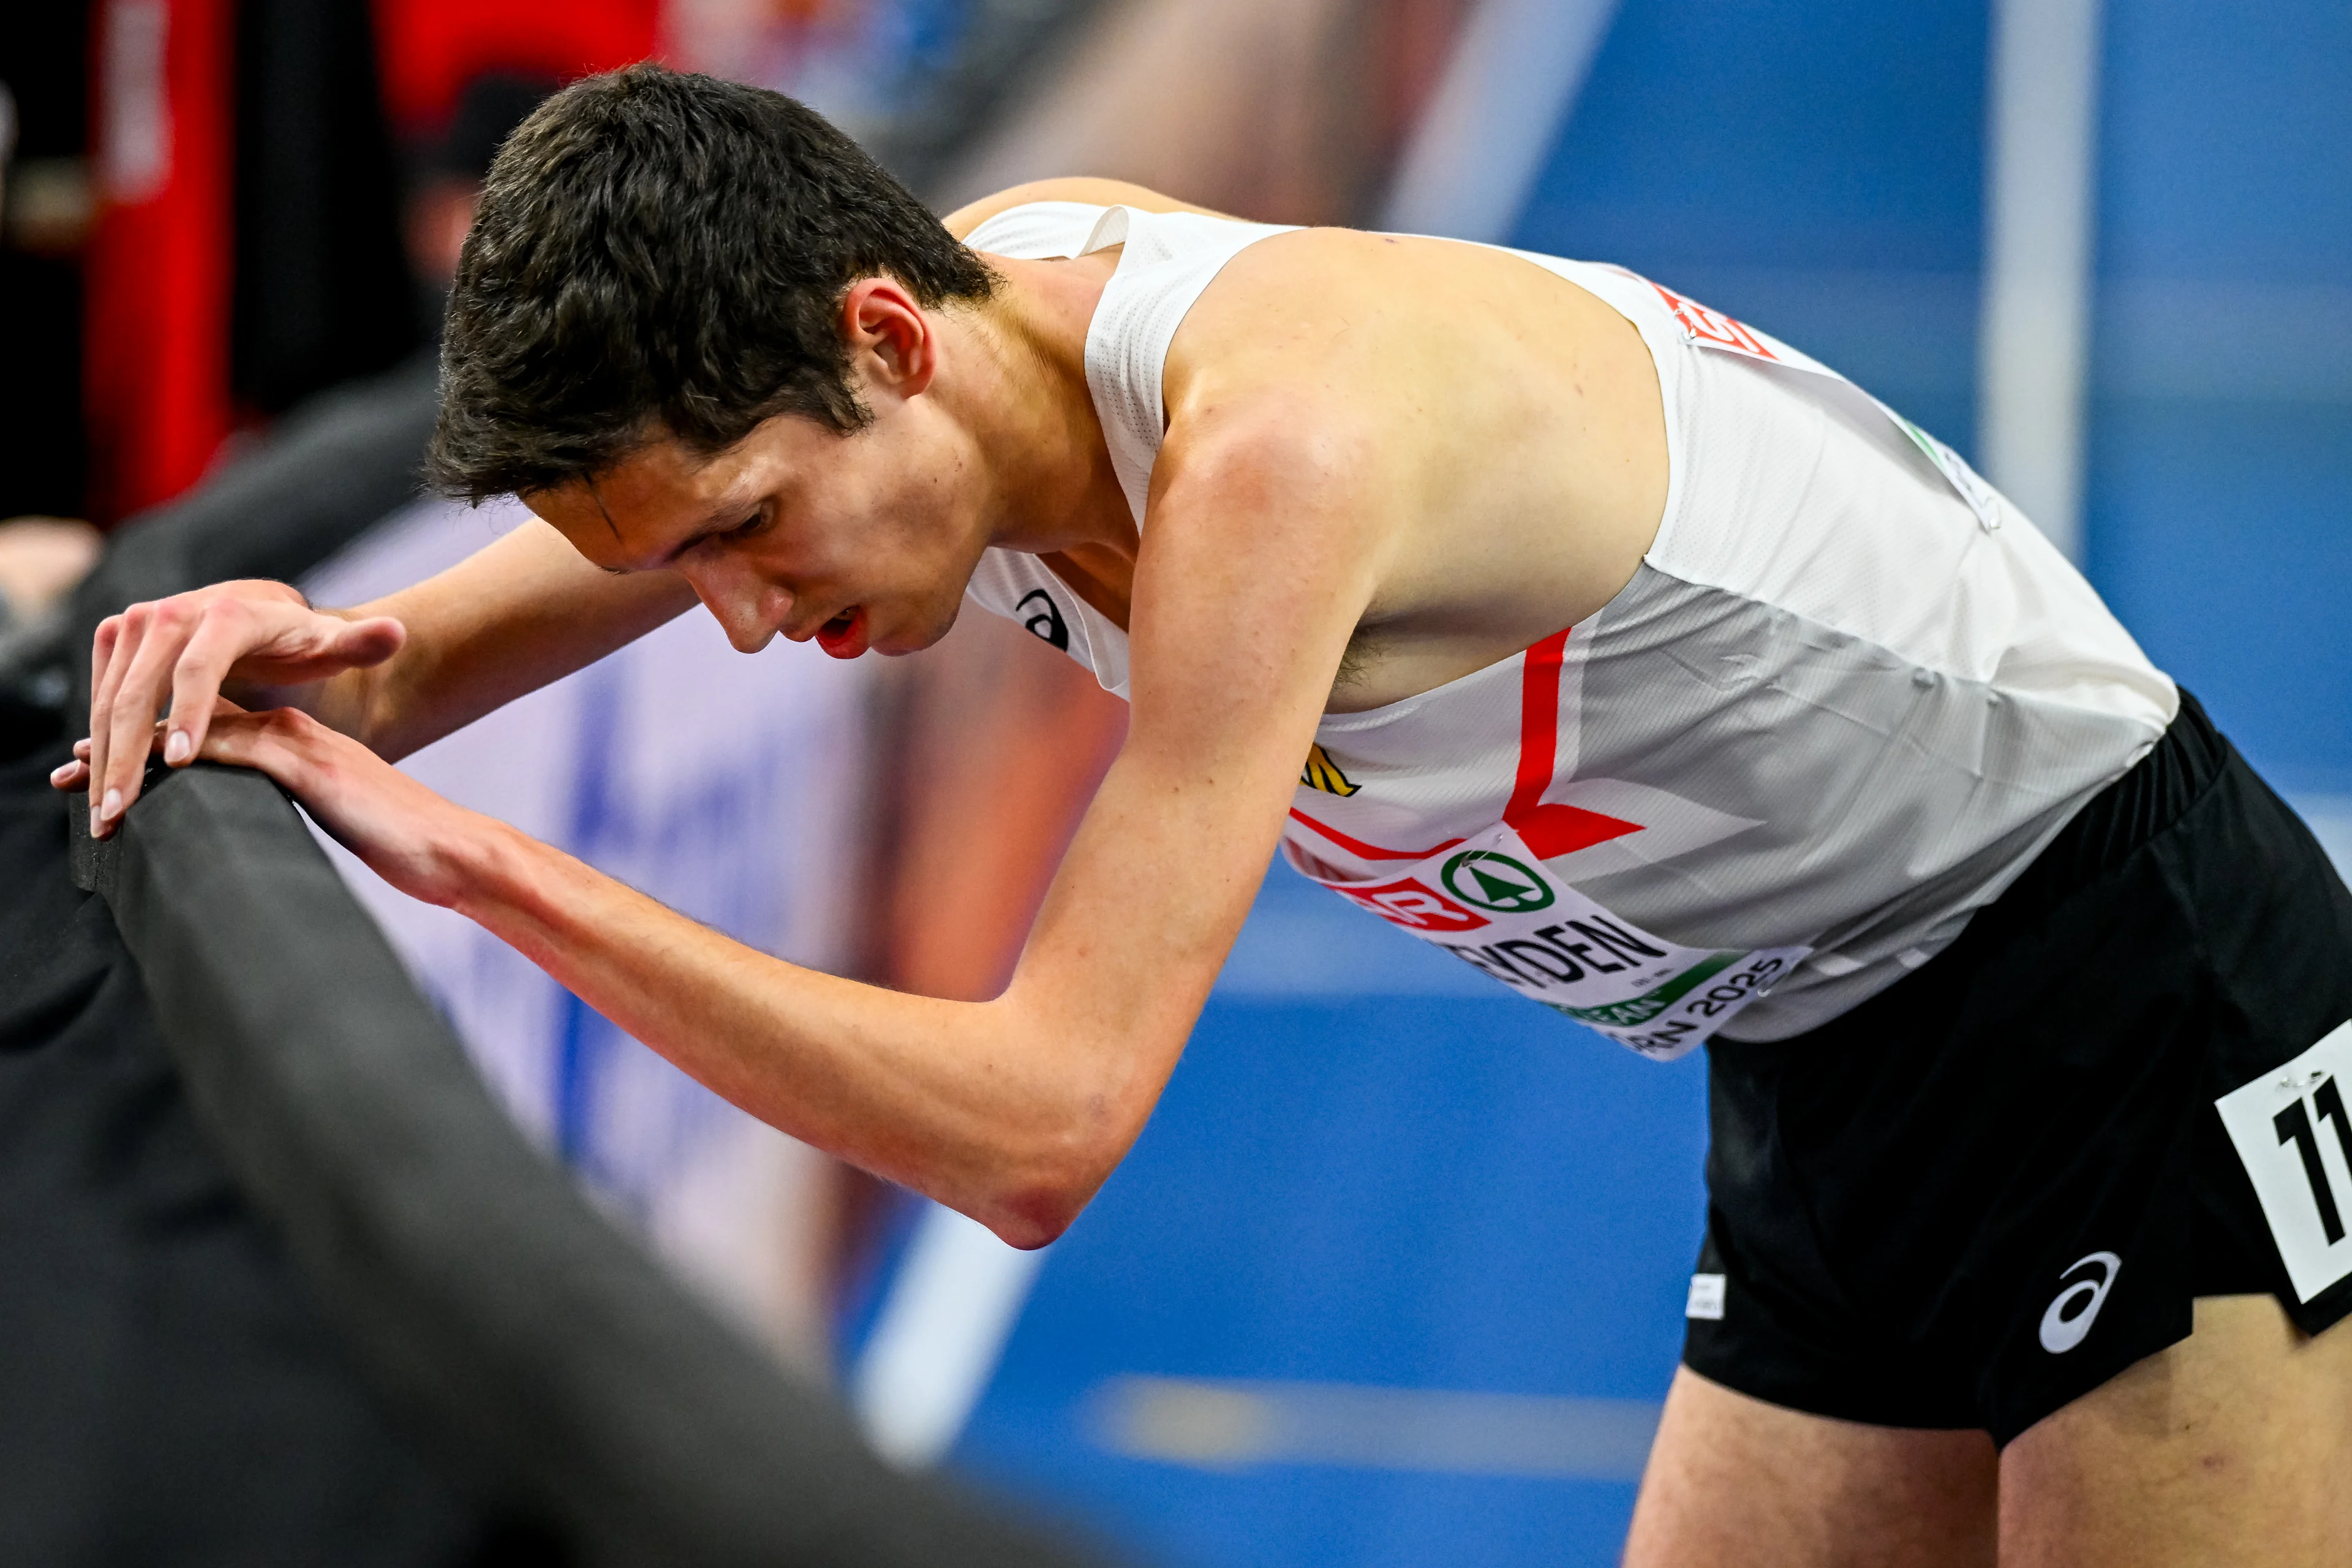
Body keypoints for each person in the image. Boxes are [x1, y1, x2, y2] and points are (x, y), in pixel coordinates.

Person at [55, 64, 2352, 1565]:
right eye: (695, 569)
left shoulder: (1279, 454)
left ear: (884, 332)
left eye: (759, 534)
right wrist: (350, 657)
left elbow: (1042, 1129)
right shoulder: (949, 334)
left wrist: (479, 868)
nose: (748, 625)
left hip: (2134, 1024)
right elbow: (589, 556)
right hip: (1823, 1068)